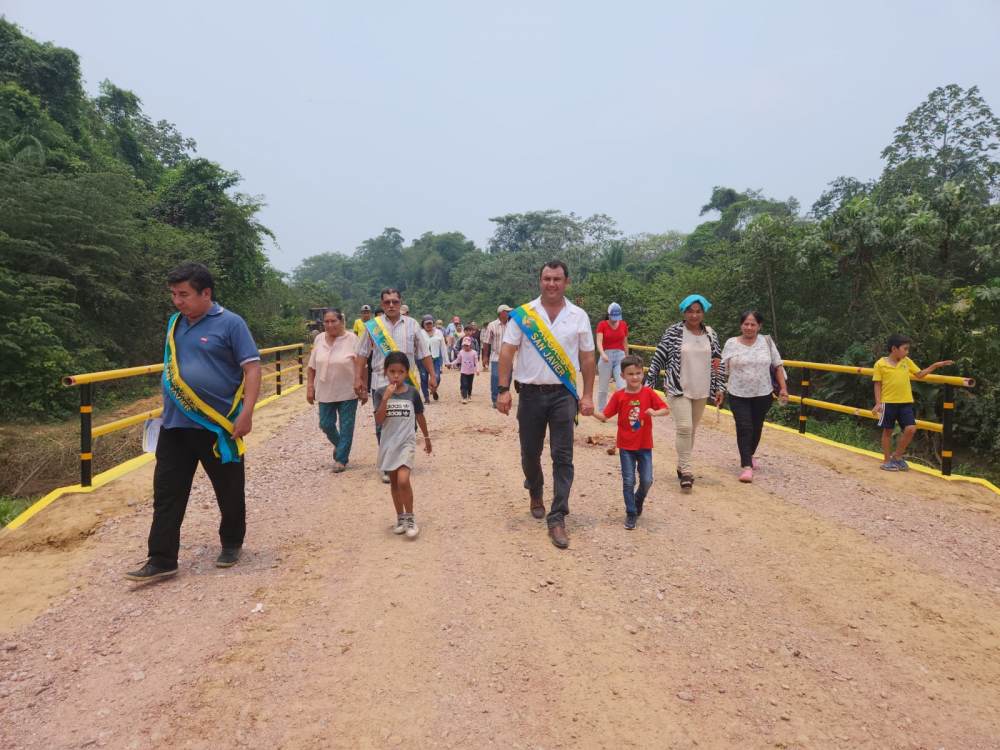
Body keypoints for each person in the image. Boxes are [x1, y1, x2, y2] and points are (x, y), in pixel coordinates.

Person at [124, 262, 262, 582]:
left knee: (228, 489)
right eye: (174, 294)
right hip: (174, 425)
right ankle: (162, 559)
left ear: (206, 293)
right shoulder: (175, 324)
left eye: (184, 294)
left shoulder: (231, 324)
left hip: (216, 427)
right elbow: (173, 371)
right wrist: (164, 407)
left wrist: (247, 413)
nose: (178, 301)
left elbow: (252, 369)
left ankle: (231, 542)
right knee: (167, 493)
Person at [497, 261, 595, 549]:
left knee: (563, 456)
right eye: (546, 279)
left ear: (567, 282)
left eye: (557, 279)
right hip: (530, 394)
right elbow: (506, 352)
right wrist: (503, 390)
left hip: (564, 395)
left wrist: (587, 395)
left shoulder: (579, 316)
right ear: (539, 281)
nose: (552, 283)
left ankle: (558, 516)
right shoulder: (525, 315)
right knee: (530, 454)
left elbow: (588, 357)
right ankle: (535, 489)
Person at [643, 294, 725, 491]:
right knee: (685, 428)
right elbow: (659, 357)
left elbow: (718, 363)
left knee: (692, 430)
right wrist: (649, 385)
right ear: (684, 312)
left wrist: (719, 387)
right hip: (678, 386)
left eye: (698, 311)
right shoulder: (673, 332)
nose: (694, 315)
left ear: (704, 313)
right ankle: (687, 471)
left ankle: (681, 464)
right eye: (690, 311)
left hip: (702, 388)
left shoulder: (711, 335)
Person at [354, 288, 436, 483]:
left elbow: (423, 352)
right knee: (382, 424)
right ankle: (388, 464)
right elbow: (362, 353)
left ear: (400, 303)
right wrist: (358, 378)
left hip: (406, 385)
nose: (391, 305)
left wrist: (433, 374)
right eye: (387, 302)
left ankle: (403, 459)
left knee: (408, 423)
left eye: (394, 301)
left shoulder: (413, 325)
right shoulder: (372, 326)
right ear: (382, 305)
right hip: (380, 384)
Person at [591, 354, 670, 529]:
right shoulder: (619, 396)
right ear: (622, 376)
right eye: (630, 374)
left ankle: (638, 498)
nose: (635, 377)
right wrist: (589, 411)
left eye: (638, 373)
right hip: (626, 446)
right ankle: (631, 512)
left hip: (645, 445)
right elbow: (605, 415)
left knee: (647, 480)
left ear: (643, 374)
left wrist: (654, 412)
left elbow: (665, 409)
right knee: (628, 480)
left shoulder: (649, 393)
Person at [721, 311, 788, 484]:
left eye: (753, 324)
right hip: (738, 393)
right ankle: (746, 467)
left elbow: (777, 365)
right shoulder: (731, 343)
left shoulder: (766, 342)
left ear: (759, 326)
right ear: (740, 325)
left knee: (757, 427)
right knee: (744, 427)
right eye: (746, 324)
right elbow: (722, 369)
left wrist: (783, 388)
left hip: (763, 393)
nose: (749, 327)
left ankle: (749, 455)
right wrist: (718, 388)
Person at [872, 334, 953, 471]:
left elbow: (919, 374)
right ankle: (886, 461)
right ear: (894, 349)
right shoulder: (880, 364)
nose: (907, 352)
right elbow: (877, 384)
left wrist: (934, 366)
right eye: (905, 349)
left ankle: (897, 455)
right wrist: (878, 403)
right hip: (888, 402)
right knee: (888, 431)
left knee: (911, 429)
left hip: (905, 402)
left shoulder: (906, 361)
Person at [373, 352, 432, 538]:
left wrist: (427, 437)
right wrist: (385, 399)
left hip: (407, 442)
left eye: (400, 371)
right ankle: (400, 518)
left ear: (407, 372)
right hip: (389, 443)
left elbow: (420, 416)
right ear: (385, 372)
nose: (396, 376)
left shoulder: (412, 392)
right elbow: (380, 420)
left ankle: (411, 517)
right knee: (394, 484)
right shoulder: (381, 392)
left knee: (403, 480)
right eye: (392, 371)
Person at [307, 308, 359, 473]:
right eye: (326, 321)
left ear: (341, 321)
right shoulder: (319, 339)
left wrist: (362, 385)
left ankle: (341, 459)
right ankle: (340, 444)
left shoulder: (352, 339)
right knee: (326, 423)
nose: (330, 325)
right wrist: (310, 387)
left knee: (346, 426)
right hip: (325, 390)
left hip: (348, 390)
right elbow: (311, 366)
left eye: (333, 321)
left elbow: (361, 365)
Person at [596, 302, 630, 411]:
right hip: (606, 355)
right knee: (603, 388)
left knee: (622, 385)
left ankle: (623, 411)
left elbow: (625, 343)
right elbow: (599, 341)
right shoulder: (602, 324)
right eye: (612, 317)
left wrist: (627, 358)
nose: (615, 319)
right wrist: (602, 354)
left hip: (620, 356)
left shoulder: (623, 325)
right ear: (608, 314)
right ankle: (602, 411)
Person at [481, 305, 513, 408]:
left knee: (509, 377)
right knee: (495, 376)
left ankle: (504, 396)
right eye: (507, 312)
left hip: (508, 356)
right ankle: (495, 399)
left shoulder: (511, 325)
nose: (509, 314)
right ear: (501, 313)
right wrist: (485, 357)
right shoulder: (492, 325)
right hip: (496, 355)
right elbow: (486, 342)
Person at [418, 315, 446, 404]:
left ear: (433, 323)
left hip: (435, 359)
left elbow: (443, 347)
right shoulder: (420, 333)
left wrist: (447, 361)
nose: (429, 325)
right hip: (422, 360)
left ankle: (434, 389)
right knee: (424, 378)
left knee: (437, 377)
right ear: (423, 324)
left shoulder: (438, 332)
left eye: (430, 323)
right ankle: (426, 397)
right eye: (427, 323)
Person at [449, 336, 479, 404]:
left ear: (470, 345)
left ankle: (469, 395)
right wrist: (450, 364)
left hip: (471, 372)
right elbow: (457, 360)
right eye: (464, 345)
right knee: (464, 384)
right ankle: (464, 398)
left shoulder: (474, 352)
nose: (466, 347)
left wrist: (478, 369)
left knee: (470, 385)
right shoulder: (461, 352)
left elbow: (476, 362)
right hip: (463, 372)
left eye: (467, 345)